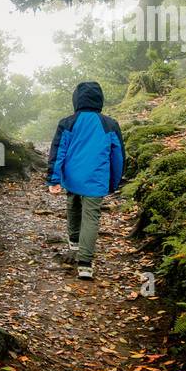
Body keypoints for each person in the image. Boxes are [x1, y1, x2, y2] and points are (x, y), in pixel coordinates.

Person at [46, 81, 125, 279]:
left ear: (76, 99)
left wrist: (53, 179)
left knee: (72, 206)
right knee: (91, 219)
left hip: (72, 177)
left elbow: (58, 151)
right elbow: (118, 157)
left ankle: (74, 242)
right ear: (100, 100)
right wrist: (113, 182)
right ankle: (85, 265)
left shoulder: (68, 122)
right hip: (96, 179)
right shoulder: (110, 124)